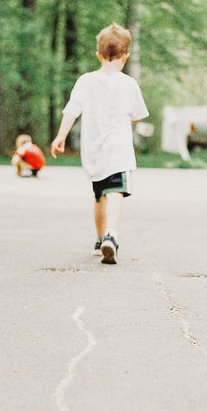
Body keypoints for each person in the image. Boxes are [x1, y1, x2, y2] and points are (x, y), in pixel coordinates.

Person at [50, 22, 148, 265]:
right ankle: (111, 236)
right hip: (119, 151)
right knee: (116, 192)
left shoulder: (85, 81)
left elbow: (72, 110)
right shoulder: (128, 84)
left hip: (94, 152)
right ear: (125, 57)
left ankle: (98, 239)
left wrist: (60, 137)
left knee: (99, 196)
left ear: (98, 55)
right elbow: (137, 115)